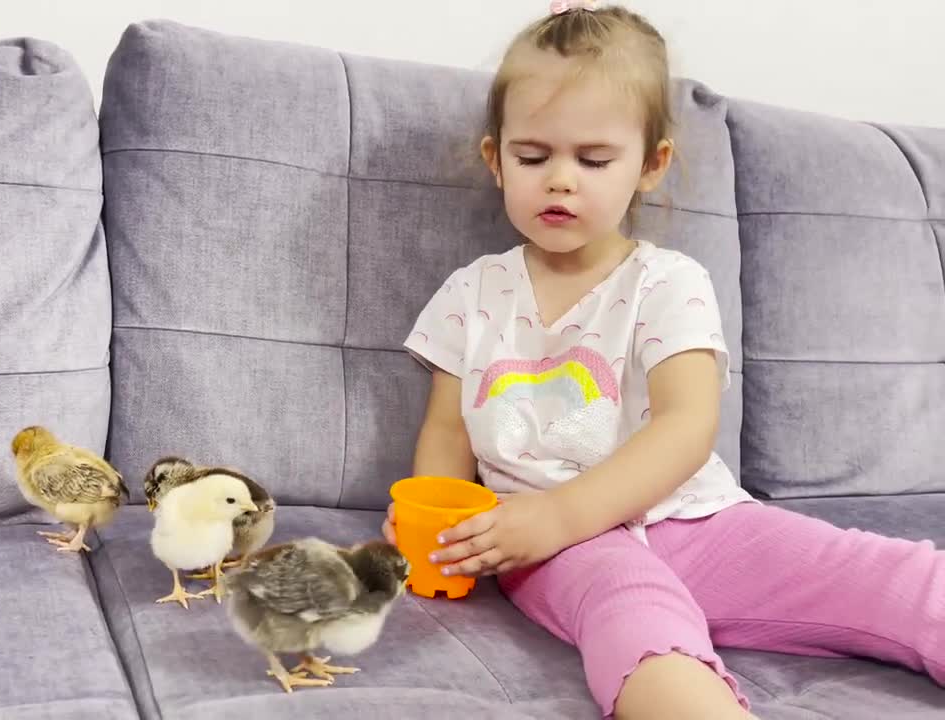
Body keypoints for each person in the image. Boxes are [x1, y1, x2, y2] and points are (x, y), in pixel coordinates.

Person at [382, 3, 945, 718]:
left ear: (651, 165)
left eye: (593, 160)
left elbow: (686, 424)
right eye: (533, 156)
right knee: (635, 614)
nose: (561, 180)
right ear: (497, 159)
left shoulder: (668, 282)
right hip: (556, 548)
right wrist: (441, 525)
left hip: (698, 520)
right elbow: (449, 432)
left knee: (888, 574)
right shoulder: (472, 293)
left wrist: (564, 510)